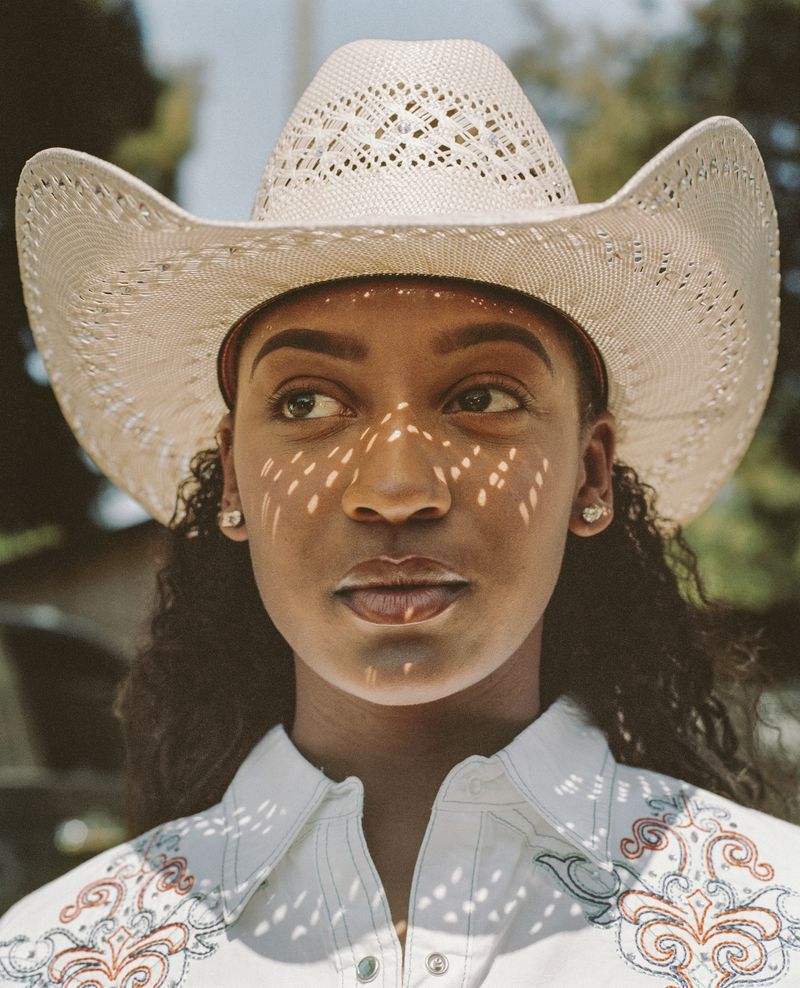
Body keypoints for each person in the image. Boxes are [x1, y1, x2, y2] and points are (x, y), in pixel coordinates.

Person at [1, 36, 798, 987]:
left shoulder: (775, 929)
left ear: (592, 472)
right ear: (233, 481)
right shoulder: (56, 957)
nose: (396, 490)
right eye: (306, 403)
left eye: (484, 397)